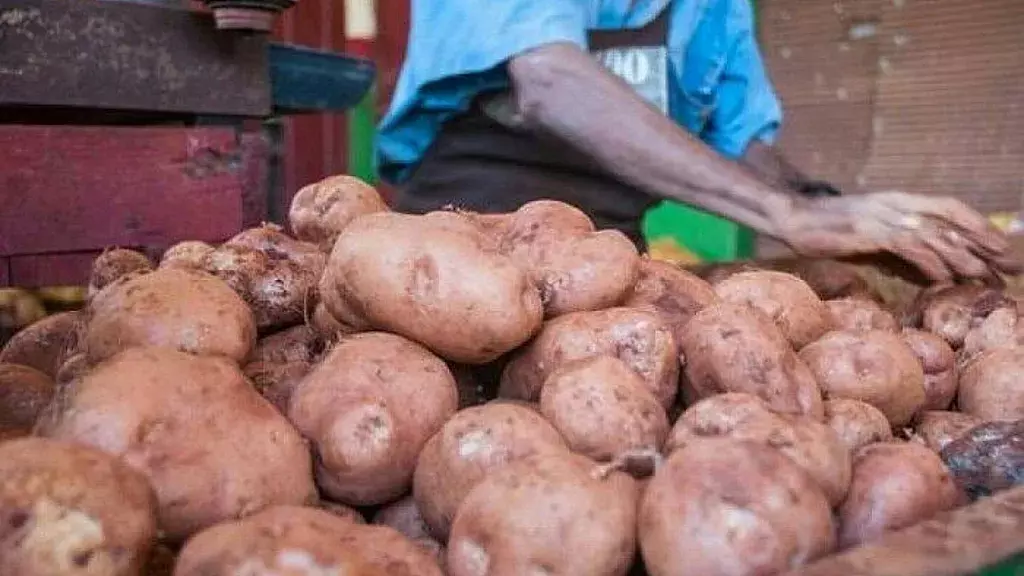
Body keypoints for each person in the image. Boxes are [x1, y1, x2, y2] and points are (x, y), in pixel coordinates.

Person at [375, 0, 1018, 282]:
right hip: (457, 263)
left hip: (610, 271)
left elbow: (741, 141)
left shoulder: (713, 4)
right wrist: (787, 215)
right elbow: (547, 77)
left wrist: (856, 214)